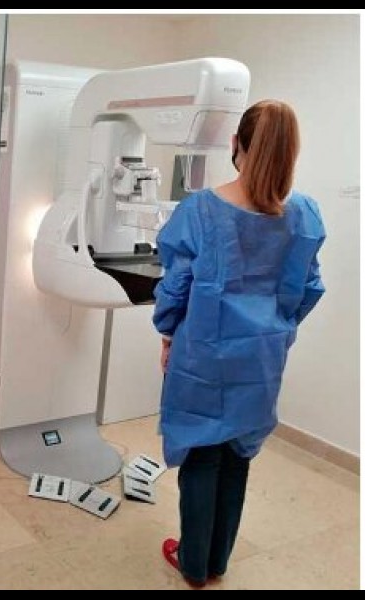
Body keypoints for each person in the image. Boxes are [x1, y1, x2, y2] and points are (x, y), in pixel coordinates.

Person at [152, 100, 325, 587]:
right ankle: (217, 560)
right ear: (291, 150)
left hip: (203, 354)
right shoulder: (303, 213)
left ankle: (193, 564)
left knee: (202, 454)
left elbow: (176, 288)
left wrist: (168, 334)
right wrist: (274, 328)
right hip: (262, 357)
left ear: (236, 145)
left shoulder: (201, 210)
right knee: (235, 457)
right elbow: (309, 288)